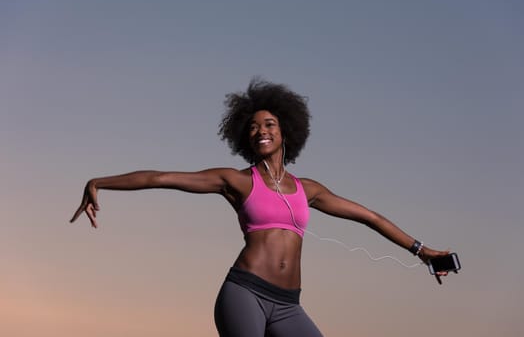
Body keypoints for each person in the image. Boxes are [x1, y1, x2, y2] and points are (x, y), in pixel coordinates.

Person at [70, 78, 450, 337]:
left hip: (289, 305)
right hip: (244, 294)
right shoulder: (236, 181)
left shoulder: (309, 189)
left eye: (269, 123)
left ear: (286, 132)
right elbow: (160, 177)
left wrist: (423, 252)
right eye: (253, 126)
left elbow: (370, 217)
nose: (261, 130)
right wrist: (99, 182)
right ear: (245, 137)